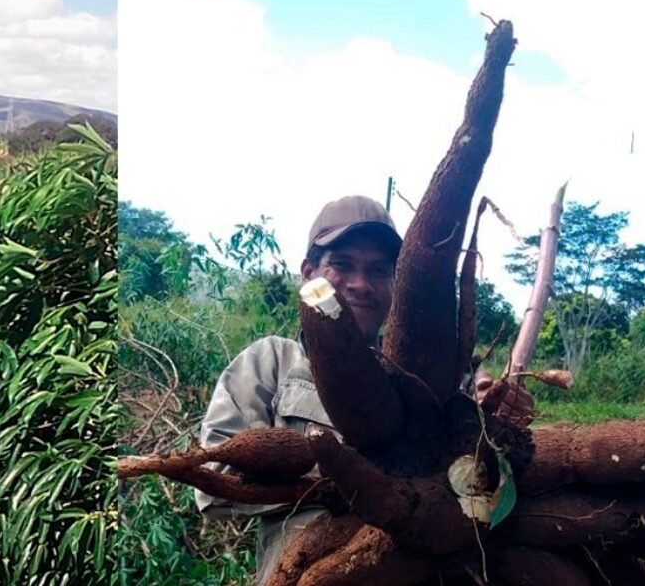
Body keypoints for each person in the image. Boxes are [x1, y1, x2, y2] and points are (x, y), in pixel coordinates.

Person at [194, 194, 530, 584]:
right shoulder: (271, 362)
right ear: (308, 273)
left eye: (378, 271)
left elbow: (481, 477)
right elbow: (214, 483)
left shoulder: (420, 376)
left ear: (395, 285)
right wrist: (348, 478)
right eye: (342, 265)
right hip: (303, 573)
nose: (360, 284)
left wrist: (501, 428)